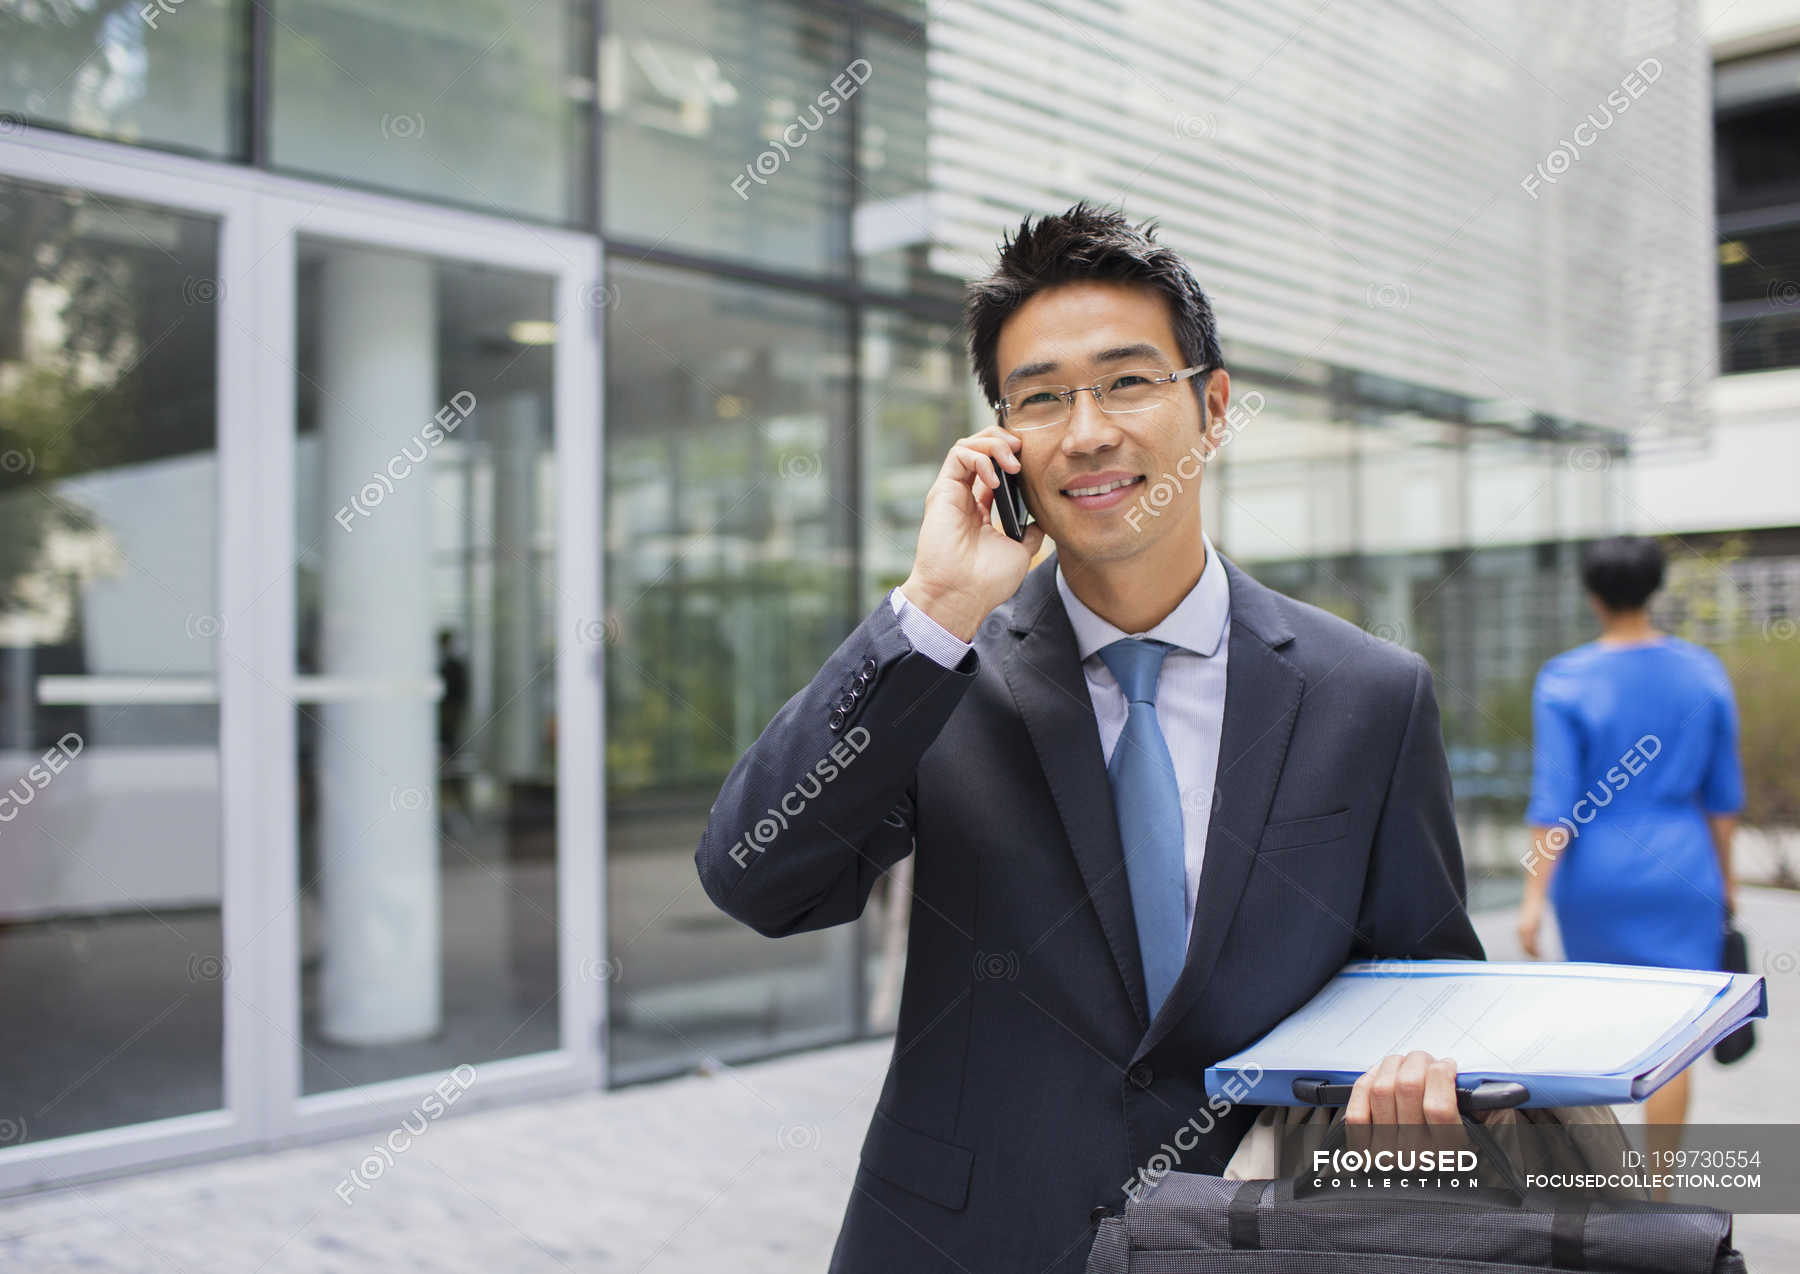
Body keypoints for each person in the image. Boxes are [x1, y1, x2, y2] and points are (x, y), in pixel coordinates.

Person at [695, 203, 1485, 1274]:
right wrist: (933, 602)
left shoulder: (1369, 695)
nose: (1088, 429)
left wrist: (1407, 1126)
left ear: (1210, 407)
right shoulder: (942, 671)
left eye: (1126, 380)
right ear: (1003, 442)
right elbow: (757, 878)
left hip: (1249, 1242)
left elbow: (1426, 999)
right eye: (1043, 397)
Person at [1519, 535, 1745, 1156]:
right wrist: (1725, 884)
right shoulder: (1703, 671)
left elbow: (1554, 801)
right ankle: (1661, 1196)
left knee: (1601, 1026)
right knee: (1675, 1036)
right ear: (1655, 588)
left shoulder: (1564, 678)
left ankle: (1604, 1186)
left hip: (1598, 876)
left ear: (1591, 596)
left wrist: (1532, 896)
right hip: (1684, 866)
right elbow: (1723, 798)